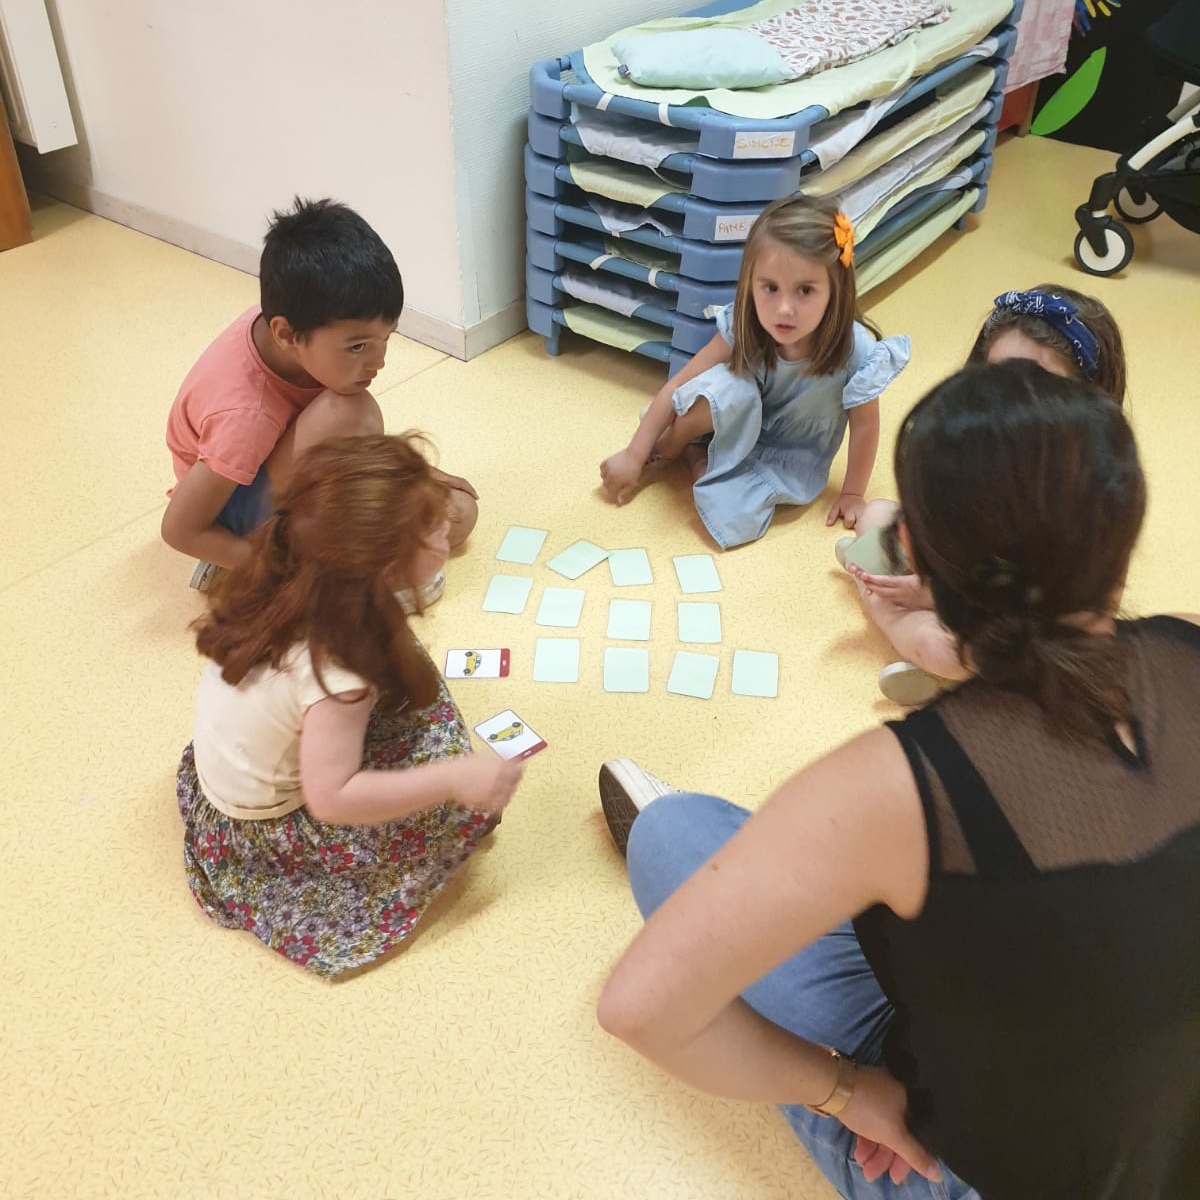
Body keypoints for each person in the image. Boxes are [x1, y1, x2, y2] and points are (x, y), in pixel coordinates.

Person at [596, 361, 1200, 1200]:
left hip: (980, 1162)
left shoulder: (898, 783)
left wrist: (848, 1093)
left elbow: (637, 1009)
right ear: (1126, 534)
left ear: (913, 551)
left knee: (672, 834)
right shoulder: (1187, 642)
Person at [176, 434, 520, 978]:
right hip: (267, 830)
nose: (448, 528)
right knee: (442, 757)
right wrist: (454, 779)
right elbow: (332, 800)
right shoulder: (339, 676)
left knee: (412, 680)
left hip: (226, 776)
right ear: (388, 570)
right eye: (435, 528)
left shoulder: (294, 575)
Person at [161, 197, 479, 597]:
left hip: (270, 469)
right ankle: (258, 560)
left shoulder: (294, 320)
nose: (379, 362)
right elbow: (180, 529)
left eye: (386, 338)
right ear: (286, 334)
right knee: (351, 410)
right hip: (231, 514)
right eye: (358, 347)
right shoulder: (246, 416)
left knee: (459, 512)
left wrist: (410, 472)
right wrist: (284, 575)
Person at [838, 284, 1128, 705]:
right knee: (876, 514)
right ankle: (883, 593)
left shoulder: (1092, 490)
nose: (1008, 404)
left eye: (1037, 388)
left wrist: (931, 595)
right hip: (956, 579)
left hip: (1015, 621)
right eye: (996, 379)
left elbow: (1079, 614)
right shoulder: (974, 444)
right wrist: (921, 563)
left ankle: (909, 638)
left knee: (948, 651)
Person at [599, 195, 910, 549]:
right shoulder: (744, 324)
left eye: (805, 290)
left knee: (736, 517)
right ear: (751, 283)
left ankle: (698, 458)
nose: (784, 308)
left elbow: (865, 426)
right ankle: (677, 443)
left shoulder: (856, 350)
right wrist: (634, 454)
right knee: (723, 388)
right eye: (770, 288)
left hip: (787, 456)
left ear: (835, 290)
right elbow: (680, 384)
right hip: (735, 423)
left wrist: (853, 492)